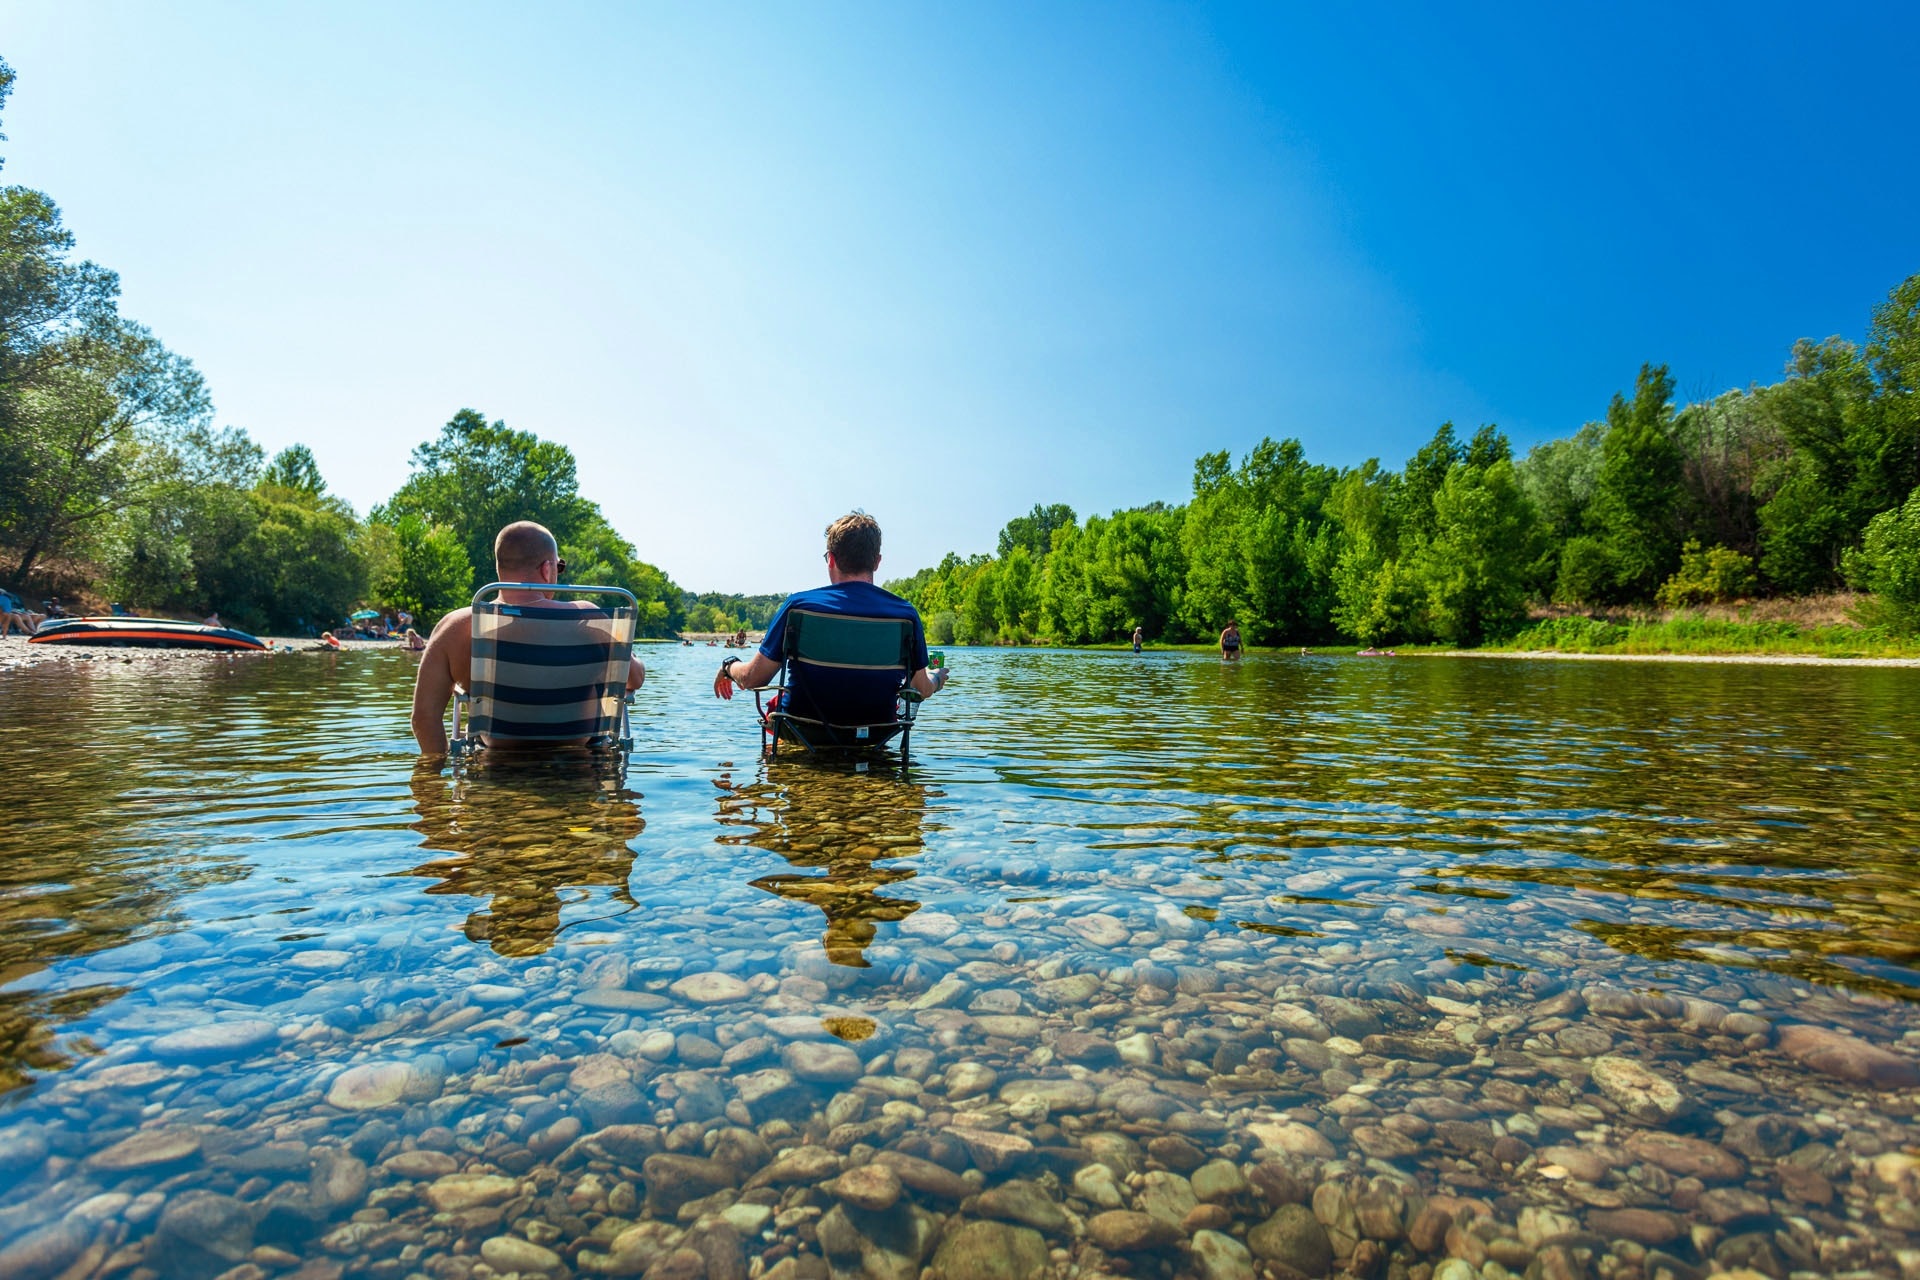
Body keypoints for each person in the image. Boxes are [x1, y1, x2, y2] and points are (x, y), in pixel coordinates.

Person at [410, 521, 645, 754]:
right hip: (580, 766)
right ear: (547, 569)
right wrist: (628, 652)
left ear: (499, 568)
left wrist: (434, 780)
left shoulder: (457, 627)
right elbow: (634, 680)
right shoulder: (589, 618)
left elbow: (423, 718)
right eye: (558, 568)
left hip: (494, 771)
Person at [713, 513, 947, 725]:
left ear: (831, 559)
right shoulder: (905, 615)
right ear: (877, 561)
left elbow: (753, 678)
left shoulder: (798, 607)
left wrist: (728, 665)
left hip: (803, 730)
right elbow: (920, 689)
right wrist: (935, 679)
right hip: (875, 733)